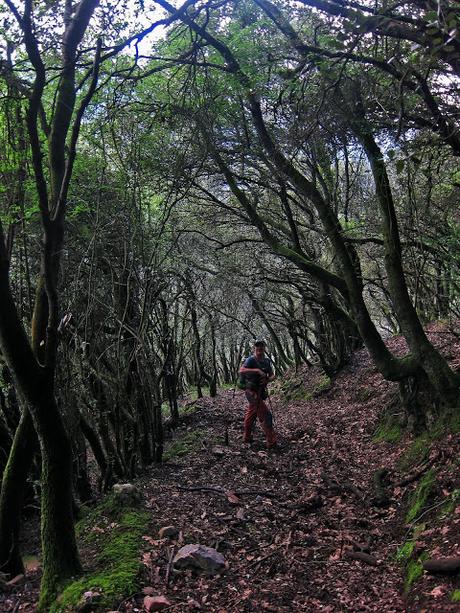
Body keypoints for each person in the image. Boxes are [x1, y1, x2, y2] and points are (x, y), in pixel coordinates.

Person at [239, 339, 278, 449]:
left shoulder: (266, 361)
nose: (259, 350)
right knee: (266, 415)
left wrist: (267, 380)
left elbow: (272, 375)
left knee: (251, 414)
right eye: (257, 348)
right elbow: (241, 371)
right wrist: (257, 371)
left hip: (260, 392)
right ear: (254, 349)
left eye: (261, 348)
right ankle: (271, 442)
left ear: (264, 348)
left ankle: (246, 437)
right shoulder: (250, 360)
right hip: (251, 392)